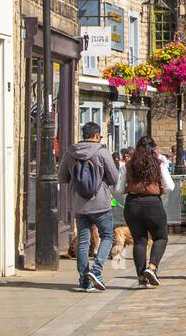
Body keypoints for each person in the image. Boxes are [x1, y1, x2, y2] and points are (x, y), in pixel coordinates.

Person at [58, 121, 121, 292]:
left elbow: (62, 177)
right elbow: (114, 178)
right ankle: (96, 269)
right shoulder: (102, 152)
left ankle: (84, 281)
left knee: (83, 241)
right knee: (107, 236)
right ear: (96, 135)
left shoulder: (70, 152)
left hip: (80, 205)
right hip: (100, 204)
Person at [115, 135, 175, 287]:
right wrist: (158, 189)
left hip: (132, 204)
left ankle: (141, 278)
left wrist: (132, 187)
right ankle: (152, 267)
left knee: (139, 241)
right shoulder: (158, 164)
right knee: (160, 238)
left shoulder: (128, 165)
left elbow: (119, 189)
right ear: (153, 149)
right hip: (153, 204)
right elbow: (170, 186)